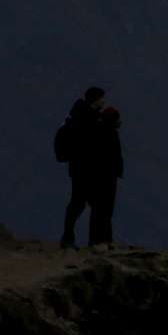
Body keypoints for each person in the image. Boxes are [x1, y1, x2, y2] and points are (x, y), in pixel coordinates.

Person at [59, 86, 124, 249]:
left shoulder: (84, 115)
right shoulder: (87, 118)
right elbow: (91, 146)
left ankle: (80, 239)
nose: (104, 100)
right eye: (102, 97)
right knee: (82, 204)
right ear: (96, 99)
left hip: (82, 169)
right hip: (84, 170)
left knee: (82, 204)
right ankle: (82, 240)